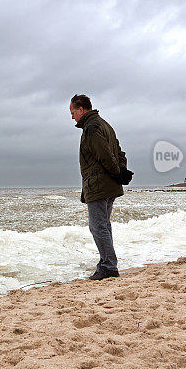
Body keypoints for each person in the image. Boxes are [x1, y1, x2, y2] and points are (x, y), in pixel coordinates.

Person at [69, 94, 127, 280]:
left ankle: (109, 266)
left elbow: (105, 155)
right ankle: (105, 263)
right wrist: (121, 172)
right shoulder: (104, 125)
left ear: (81, 110)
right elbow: (119, 152)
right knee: (104, 225)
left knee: (98, 226)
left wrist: (118, 173)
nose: (72, 117)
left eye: (72, 112)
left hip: (99, 184)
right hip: (108, 183)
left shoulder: (92, 128)